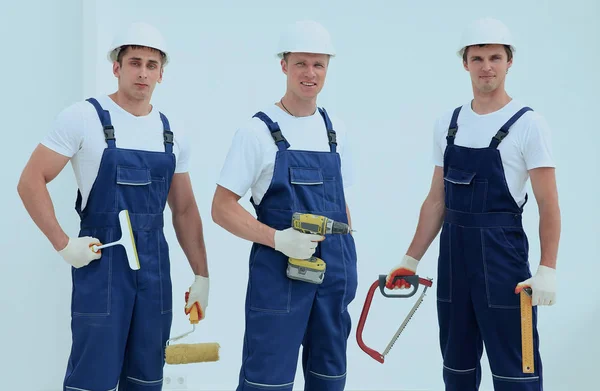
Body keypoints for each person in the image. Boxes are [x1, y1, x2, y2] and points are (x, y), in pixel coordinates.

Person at [17, 22, 210, 391]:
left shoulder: (172, 132)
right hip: (103, 266)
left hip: (155, 272)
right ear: (116, 67)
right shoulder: (83, 118)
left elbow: (183, 209)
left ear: (161, 74)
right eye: (135, 62)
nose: (143, 72)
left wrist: (202, 274)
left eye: (152, 65)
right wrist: (62, 243)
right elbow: (30, 181)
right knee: (93, 378)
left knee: (147, 377)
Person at [386, 17, 560, 391]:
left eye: (495, 57)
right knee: (457, 369)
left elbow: (549, 204)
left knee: (518, 368)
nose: (486, 67)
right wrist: (411, 258)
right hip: (453, 261)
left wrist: (547, 268)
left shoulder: (529, 124)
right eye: (477, 58)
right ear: (465, 62)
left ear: (509, 61)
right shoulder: (448, 124)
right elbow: (437, 201)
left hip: (504, 263)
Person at [211, 20, 357, 391]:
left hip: (334, 276)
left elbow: (342, 205)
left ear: (328, 67)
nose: (310, 73)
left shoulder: (335, 130)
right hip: (279, 278)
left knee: (329, 379)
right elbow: (221, 207)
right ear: (284, 66)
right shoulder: (257, 132)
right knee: (267, 382)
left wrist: (347, 269)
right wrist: (278, 240)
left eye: (318, 64)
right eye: (300, 64)